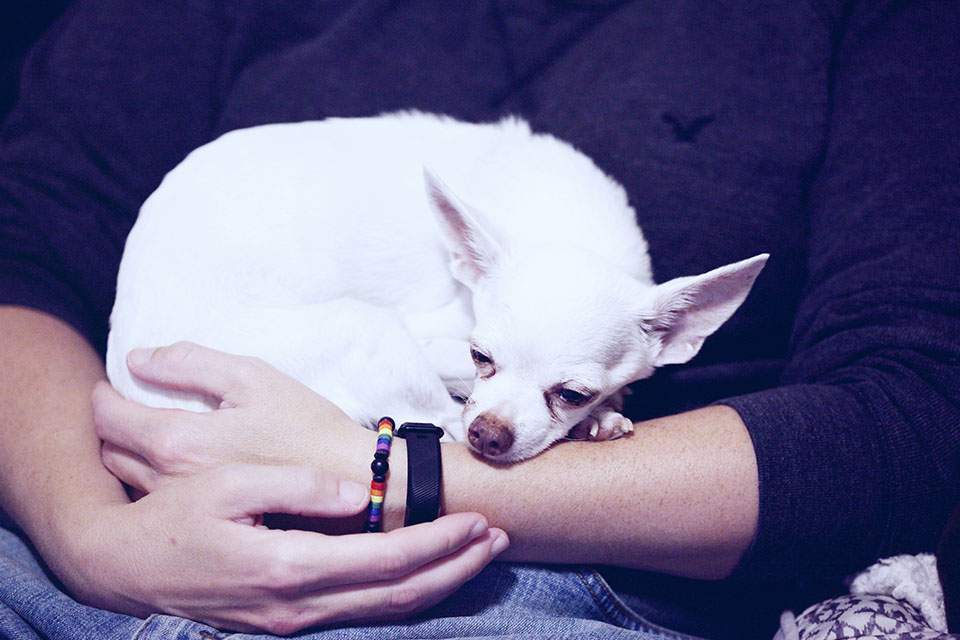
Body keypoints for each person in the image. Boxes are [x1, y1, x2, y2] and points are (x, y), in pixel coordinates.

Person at [0, 1, 957, 639]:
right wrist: (88, 541)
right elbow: (26, 247)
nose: (503, 418)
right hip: (99, 501)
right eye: (489, 362)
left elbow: (915, 412)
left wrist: (385, 474)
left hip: (527, 579)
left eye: (569, 394)